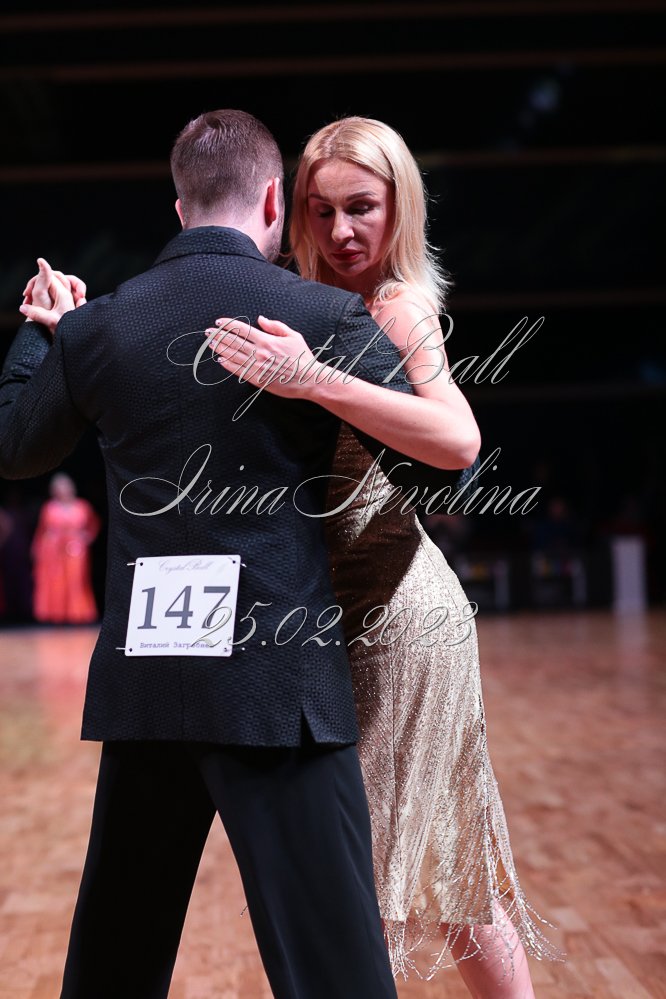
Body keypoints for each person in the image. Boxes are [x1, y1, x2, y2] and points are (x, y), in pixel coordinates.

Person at [1, 109, 480, 999]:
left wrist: (43, 332)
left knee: (114, 961)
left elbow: (15, 449)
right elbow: (448, 457)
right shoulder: (321, 312)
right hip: (276, 685)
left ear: (180, 208)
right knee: (336, 970)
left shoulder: (100, 327)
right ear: (272, 200)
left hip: (150, 683)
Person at [207, 117, 561, 995]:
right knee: (439, 870)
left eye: (361, 207)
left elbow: (457, 440)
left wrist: (312, 379)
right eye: (321, 210)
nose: (341, 232)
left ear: (399, 208)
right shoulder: (297, 302)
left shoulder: (396, 306)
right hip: (336, 620)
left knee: (396, 872)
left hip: (402, 620)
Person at [31, 471, 99, 623]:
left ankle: (77, 613)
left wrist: (88, 537)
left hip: (76, 548)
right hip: (53, 549)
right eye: (58, 488)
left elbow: (94, 524)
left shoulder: (82, 506)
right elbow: (41, 530)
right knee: (56, 581)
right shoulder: (49, 507)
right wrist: (37, 549)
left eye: (65, 487)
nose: (62, 491)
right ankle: (57, 614)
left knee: (76, 579)